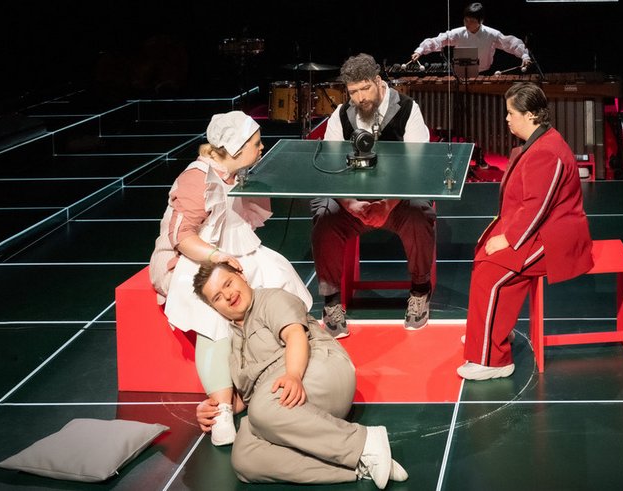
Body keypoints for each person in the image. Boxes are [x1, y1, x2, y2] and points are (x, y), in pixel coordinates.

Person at [148, 111, 313, 445]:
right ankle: (223, 408)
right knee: (212, 312)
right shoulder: (198, 179)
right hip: (190, 257)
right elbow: (182, 236)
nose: (261, 147)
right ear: (235, 149)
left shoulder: (238, 174)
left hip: (231, 253)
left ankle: (286, 365)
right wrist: (216, 257)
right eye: (255, 143)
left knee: (275, 275)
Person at [193, 262, 409, 489]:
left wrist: (293, 375)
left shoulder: (271, 299)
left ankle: (364, 442)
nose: (228, 295)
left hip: (318, 369)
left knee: (262, 408)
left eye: (228, 283)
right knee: (245, 458)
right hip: (284, 406)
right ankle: (359, 465)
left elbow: (295, 335)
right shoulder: (234, 344)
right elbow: (247, 399)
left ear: (241, 276)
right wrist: (215, 410)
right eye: (217, 297)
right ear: (214, 307)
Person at [458, 82, 593, 381]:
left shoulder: (547, 152)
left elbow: (538, 206)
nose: (506, 119)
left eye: (511, 113)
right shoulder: (536, 144)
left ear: (531, 115)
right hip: (538, 229)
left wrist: (507, 238)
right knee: (484, 255)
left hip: (555, 239)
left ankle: (493, 360)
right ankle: (486, 336)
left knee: (494, 274)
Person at [313, 53, 436, 338]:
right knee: (324, 212)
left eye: (364, 89)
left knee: (420, 209)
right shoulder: (342, 115)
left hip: (397, 203)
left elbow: (418, 169)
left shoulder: (407, 109)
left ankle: (420, 289)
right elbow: (330, 169)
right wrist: (349, 203)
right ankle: (331, 301)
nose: (359, 98)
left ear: (378, 81)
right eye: (353, 92)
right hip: (353, 205)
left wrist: (387, 205)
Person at [411, 2, 531, 74]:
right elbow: (438, 41)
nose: (467, 24)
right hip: (461, 75)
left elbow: (511, 43)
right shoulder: (458, 33)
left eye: (472, 21)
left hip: (485, 74)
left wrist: (524, 55)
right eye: (466, 20)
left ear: (481, 21)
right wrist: (420, 50)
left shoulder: (492, 34)